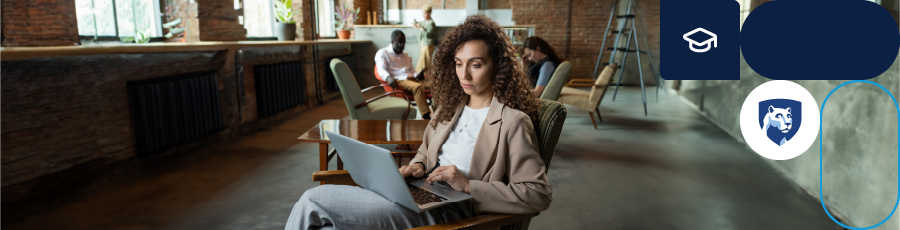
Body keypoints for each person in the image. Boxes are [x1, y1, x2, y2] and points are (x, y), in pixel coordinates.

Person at [285, 15, 552, 230]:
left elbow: (538, 194)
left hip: (455, 211)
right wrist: (417, 166)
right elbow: (426, 153)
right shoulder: (449, 108)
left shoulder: (513, 122)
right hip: (421, 192)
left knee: (313, 201)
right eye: (459, 64)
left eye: (476, 64)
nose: (464, 74)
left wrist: (468, 185)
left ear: (498, 66)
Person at [375, 30, 432, 119]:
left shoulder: (406, 55)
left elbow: (412, 71)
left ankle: (443, 111)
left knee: (436, 82)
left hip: (412, 78)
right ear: (392, 41)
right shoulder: (383, 53)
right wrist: (388, 77)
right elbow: (380, 69)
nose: (401, 46)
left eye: (403, 43)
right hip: (399, 80)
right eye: (399, 43)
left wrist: (417, 74)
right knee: (417, 87)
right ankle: (426, 116)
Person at [413, 5, 437, 73]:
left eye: (425, 13)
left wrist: (420, 28)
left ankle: (427, 78)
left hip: (428, 45)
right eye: (422, 13)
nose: (423, 15)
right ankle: (420, 77)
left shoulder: (431, 23)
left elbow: (428, 35)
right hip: (423, 45)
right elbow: (416, 23)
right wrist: (415, 24)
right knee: (421, 62)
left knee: (426, 63)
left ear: (429, 13)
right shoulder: (425, 22)